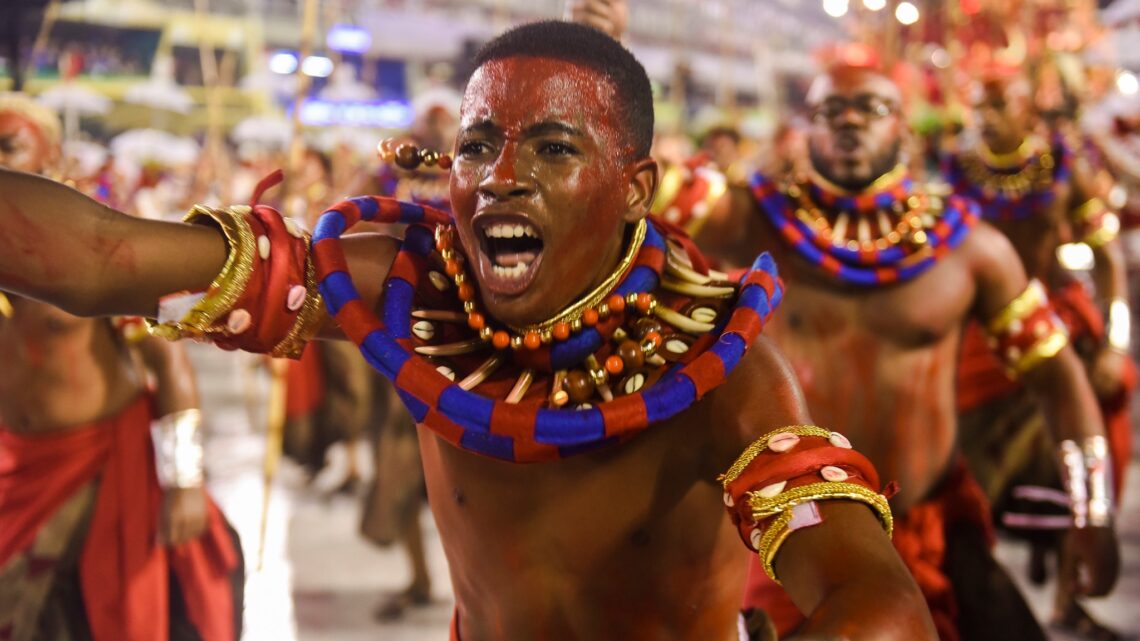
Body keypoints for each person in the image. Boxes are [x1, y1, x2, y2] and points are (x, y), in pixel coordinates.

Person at [0, 23, 936, 641]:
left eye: (553, 148)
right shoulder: (408, 287)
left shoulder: (714, 362)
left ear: (636, 190)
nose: (499, 177)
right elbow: (103, 258)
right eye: (480, 145)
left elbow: (882, 602)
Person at [693, 60, 1120, 641]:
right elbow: (629, 190)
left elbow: (1057, 377)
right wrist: (604, 43)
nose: (848, 122)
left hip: (937, 533)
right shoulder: (747, 220)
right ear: (806, 129)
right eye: (829, 110)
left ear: (903, 128)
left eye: (870, 108)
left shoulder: (969, 247)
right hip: (795, 535)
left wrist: (1092, 511)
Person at [0, 93, 244, 641]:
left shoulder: (85, 252)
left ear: (51, 159)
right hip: (17, 471)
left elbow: (167, 358)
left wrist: (182, 481)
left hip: (103, 470)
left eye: (7, 148)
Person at [945, 69, 1133, 640]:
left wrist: (1115, 340)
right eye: (979, 103)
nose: (986, 113)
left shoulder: (1065, 168)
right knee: (957, 461)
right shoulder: (953, 172)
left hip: (1055, 321)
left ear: (1029, 110)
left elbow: (1109, 260)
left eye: (999, 102)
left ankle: (1074, 584)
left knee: (1099, 420)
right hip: (979, 329)